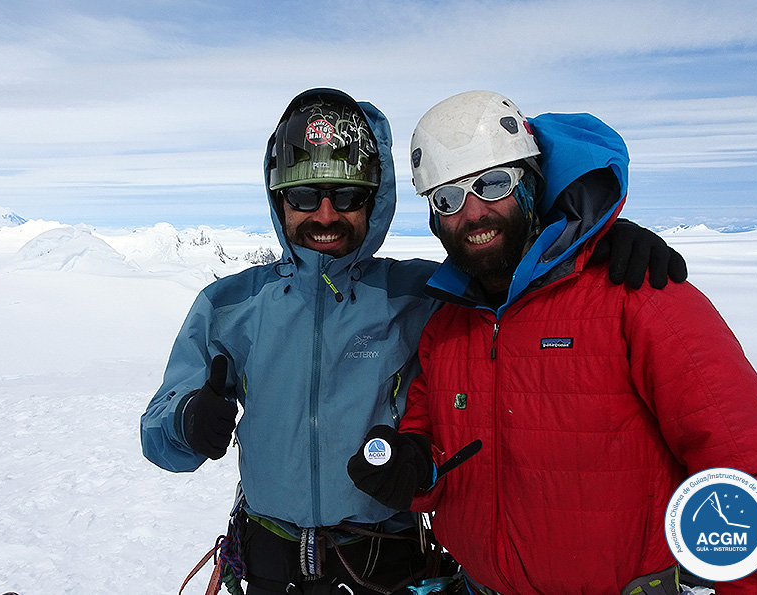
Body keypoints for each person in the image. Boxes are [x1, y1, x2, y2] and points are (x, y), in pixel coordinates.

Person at [141, 88, 685, 595]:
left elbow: (516, 277)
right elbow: (158, 433)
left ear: (374, 202)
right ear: (279, 199)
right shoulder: (230, 305)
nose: (325, 215)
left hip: (386, 565)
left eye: (347, 196)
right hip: (267, 563)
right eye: (305, 195)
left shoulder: (426, 293)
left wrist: (595, 238)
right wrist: (187, 420)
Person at [347, 90, 757, 595]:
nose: (472, 214)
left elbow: (745, 477)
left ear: (531, 186)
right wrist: (414, 468)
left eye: (492, 184)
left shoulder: (639, 298)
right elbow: (435, 444)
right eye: (447, 199)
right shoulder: (447, 326)